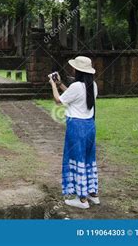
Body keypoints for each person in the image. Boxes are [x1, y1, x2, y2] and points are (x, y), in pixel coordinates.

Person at [49, 56, 99, 209]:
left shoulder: (77, 86)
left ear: (78, 71)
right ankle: (92, 194)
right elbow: (73, 96)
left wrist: (52, 84)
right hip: (90, 126)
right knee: (88, 158)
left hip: (76, 127)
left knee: (77, 159)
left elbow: (58, 100)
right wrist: (60, 84)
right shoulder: (93, 85)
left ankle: (82, 199)